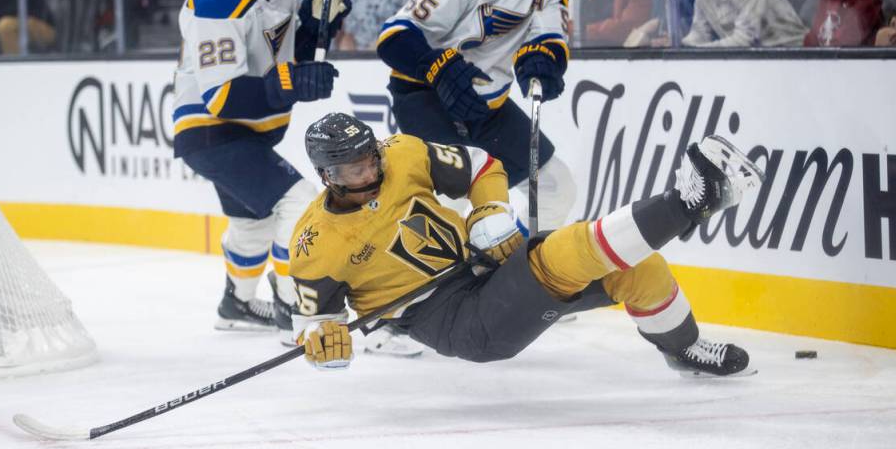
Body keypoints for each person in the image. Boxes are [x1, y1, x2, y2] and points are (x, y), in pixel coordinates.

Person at [290, 112, 761, 378]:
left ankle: (684, 348)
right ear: (327, 176)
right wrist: (324, 343)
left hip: (483, 265)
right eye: (355, 170)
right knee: (557, 258)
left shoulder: (400, 154)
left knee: (638, 269)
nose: (370, 173)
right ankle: (687, 204)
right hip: (453, 320)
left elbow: (480, 165)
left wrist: (488, 211)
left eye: (370, 159)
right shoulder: (314, 242)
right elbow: (315, 321)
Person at [172, 0, 351, 340]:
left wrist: (320, 22)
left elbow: (287, 57)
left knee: (254, 222)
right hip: (212, 132)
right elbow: (224, 97)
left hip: (248, 133)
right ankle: (294, 306)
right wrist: (293, 81)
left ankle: (237, 302)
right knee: (299, 202)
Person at [377, 0, 576, 231]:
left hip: (487, 105)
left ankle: (518, 266)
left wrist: (543, 60)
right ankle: (438, 277)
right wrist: (437, 66)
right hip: (426, 98)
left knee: (556, 186)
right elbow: (393, 38)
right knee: (451, 195)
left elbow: (549, 37)